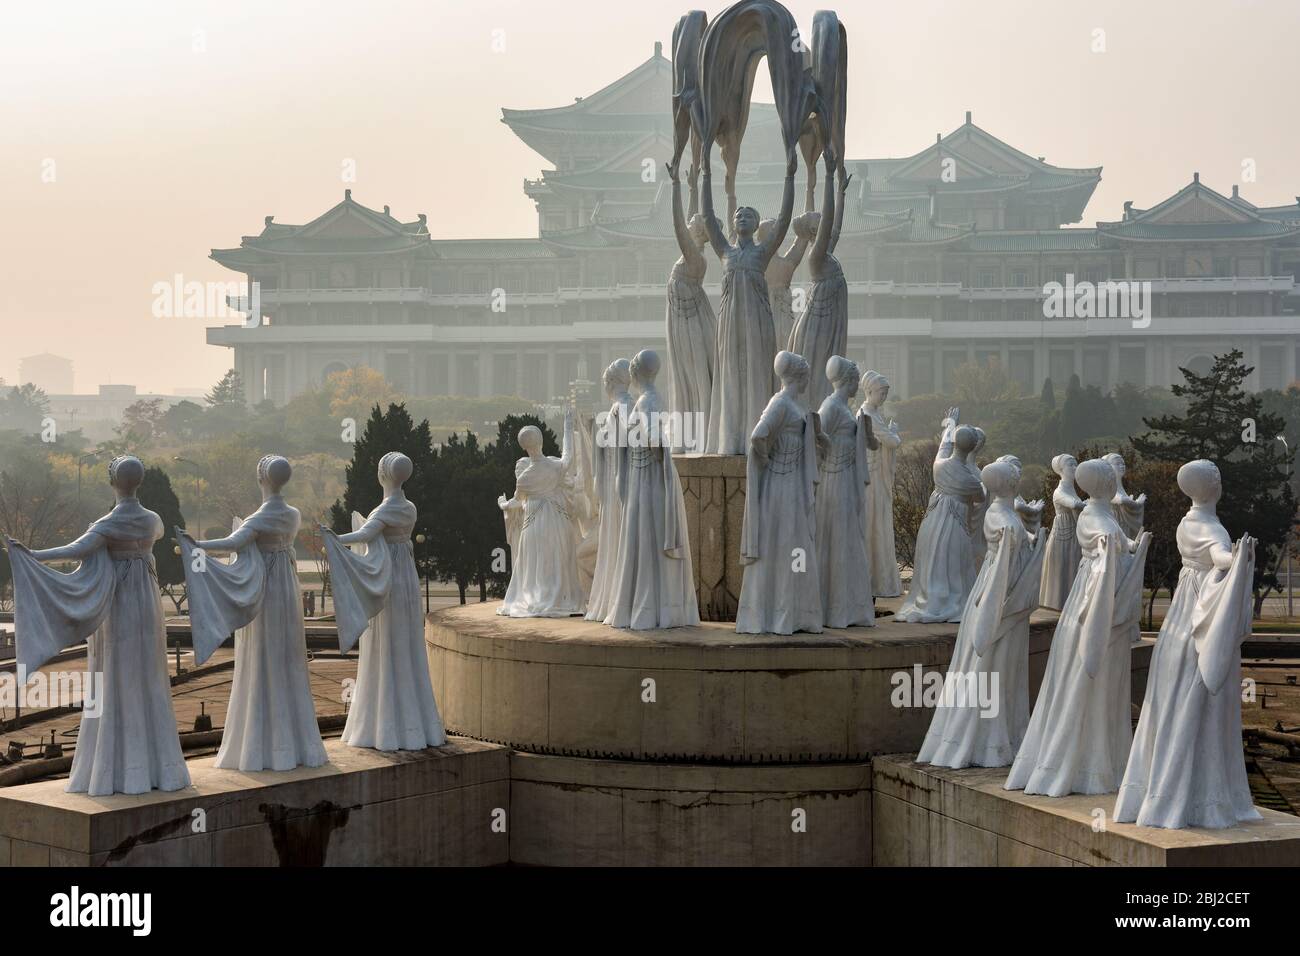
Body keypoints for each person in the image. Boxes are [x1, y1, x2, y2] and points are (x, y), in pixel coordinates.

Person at [5, 455, 190, 795]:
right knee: (148, 675)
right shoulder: (153, 521)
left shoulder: (106, 525)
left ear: (112, 481)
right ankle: (157, 768)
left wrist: (31, 556)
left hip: (117, 605)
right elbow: (159, 534)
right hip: (147, 603)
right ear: (140, 482)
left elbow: (76, 550)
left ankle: (114, 768)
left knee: (114, 676)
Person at [1115, 459, 1260, 829]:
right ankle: (1198, 796)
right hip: (1201, 617)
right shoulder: (1213, 528)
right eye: (1217, 477)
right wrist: (1239, 556)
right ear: (1212, 487)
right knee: (1200, 700)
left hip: (1181, 615)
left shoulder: (1186, 522)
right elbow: (1219, 558)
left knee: (1171, 697)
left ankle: (1159, 789)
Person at [1005, 459, 1151, 797]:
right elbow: (1105, 552)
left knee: (1104, 684)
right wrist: (1122, 551)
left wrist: (1133, 546)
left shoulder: (1101, 515)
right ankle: (1087, 765)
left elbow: (1115, 546)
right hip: (1093, 605)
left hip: (1098, 601)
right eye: (1111, 476)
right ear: (1102, 484)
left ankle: (1104, 760)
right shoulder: (1094, 518)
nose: (1117, 479)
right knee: (1090, 679)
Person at [181, 455, 326, 772]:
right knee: (287, 656)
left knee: (263, 656)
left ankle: (262, 745)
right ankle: (295, 743)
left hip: (264, 590)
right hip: (287, 588)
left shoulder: (258, 519)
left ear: (262, 479)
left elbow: (231, 543)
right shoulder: (293, 515)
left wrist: (194, 544)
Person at [917, 461, 1046, 769]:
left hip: (995, 590)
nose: (1019, 477)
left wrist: (1031, 538)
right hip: (999, 597)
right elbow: (1007, 563)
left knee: (997, 667)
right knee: (991, 664)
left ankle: (1003, 736)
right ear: (1009, 484)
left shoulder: (1001, 513)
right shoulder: (1002, 519)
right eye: (1015, 476)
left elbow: (1012, 549)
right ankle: (989, 741)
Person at [322, 452, 446, 751]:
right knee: (407, 645)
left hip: (388, 580)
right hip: (406, 577)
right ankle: (415, 723)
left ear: (383, 476)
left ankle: (384, 724)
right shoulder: (410, 507)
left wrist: (332, 537)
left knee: (385, 644)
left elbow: (364, 534)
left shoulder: (385, 509)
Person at [701, 146, 798, 455]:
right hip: (729, 325)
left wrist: (790, 175)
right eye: (738, 214)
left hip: (758, 323)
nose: (742, 216)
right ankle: (729, 439)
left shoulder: (761, 252)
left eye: (748, 215)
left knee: (757, 372)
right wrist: (705, 172)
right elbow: (707, 218)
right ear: (732, 225)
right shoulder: (725, 252)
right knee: (729, 375)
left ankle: (756, 435)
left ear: (757, 226)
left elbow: (783, 221)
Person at [604, 350, 700, 630]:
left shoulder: (647, 402)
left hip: (646, 481)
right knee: (645, 539)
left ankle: (649, 608)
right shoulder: (652, 399)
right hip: (643, 478)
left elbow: (652, 436)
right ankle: (655, 607)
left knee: (647, 539)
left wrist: (656, 446)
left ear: (635, 373)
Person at [736, 351, 824, 635]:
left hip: (792, 488)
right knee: (782, 546)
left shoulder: (794, 404)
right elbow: (759, 434)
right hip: (780, 487)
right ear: (799, 375)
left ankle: (793, 613)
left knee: (794, 548)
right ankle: (773, 615)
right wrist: (767, 461)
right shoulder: (781, 402)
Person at [896, 409, 985, 623]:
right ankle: (947, 600)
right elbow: (980, 497)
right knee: (952, 562)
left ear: (955, 444)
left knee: (933, 557)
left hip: (933, 520)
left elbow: (944, 445)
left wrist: (950, 423)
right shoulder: (971, 480)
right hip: (955, 524)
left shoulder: (939, 465)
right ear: (973, 448)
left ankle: (929, 597)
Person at [497, 409, 586, 617]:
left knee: (536, 563)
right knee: (558, 560)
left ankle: (539, 597)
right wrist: (567, 427)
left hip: (534, 523)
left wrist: (502, 505)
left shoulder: (524, 478)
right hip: (557, 520)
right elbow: (569, 456)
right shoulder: (555, 467)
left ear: (524, 447)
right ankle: (560, 597)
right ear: (541, 442)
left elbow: (516, 503)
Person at [815, 356, 877, 628]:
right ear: (848, 381)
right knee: (837, 541)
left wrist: (864, 430)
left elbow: (871, 445)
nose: (857, 386)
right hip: (834, 483)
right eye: (856, 380)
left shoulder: (847, 410)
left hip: (846, 482)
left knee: (849, 541)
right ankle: (834, 608)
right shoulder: (830, 407)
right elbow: (817, 441)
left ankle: (850, 607)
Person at [787, 159, 850, 410]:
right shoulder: (816, 256)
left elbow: (835, 227)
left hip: (825, 317)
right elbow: (828, 225)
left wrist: (841, 191)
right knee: (820, 365)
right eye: (817, 220)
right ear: (814, 231)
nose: (821, 219)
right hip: (819, 322)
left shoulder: (825, 253)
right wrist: (828, 176)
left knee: (825, 362)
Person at [665, 164, 716, 441]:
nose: (690, 225)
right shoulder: (695, 251)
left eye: (694, 226)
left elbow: (678, 226)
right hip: (686, 316)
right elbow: (686, 222)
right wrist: (693, 187)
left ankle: (696, 431)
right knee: (689, 374)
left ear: (698, 232)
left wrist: (675, 187)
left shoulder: (694, 257)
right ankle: (693, 428)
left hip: (688, 321)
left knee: (692, 374)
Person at [585, 359, 635, 623]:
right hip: (614, 481)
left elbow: (627, 445)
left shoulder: (622, 407)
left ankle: (617, 599)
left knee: (616, 540)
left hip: (618, 483)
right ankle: (613, 597)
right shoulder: (621, 407)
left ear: (611, 382)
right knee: (613, 541)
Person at [861, 371, 902, 598]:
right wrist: (894, 432)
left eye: (886, 393)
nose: (884, 397)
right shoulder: (867, 414)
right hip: (872, 478)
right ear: (868, 392)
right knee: (873, 526)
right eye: (881, 392)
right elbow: (891, 441)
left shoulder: (874, 413)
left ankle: (877, 580)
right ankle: (871, 580)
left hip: (876, 477)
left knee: (878, 526)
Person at [1040, 453, 1085, 611]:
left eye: (1075, 464)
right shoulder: (1059, 492)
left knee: (1073, 570)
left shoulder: (1072, 489)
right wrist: (1095, 502)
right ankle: (1057, 608)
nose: (1074, 467)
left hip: (1074, 536)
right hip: (1062, 537)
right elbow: (1074, 504)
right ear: (1060, 469)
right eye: (1070, 465)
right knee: (1061, 573)